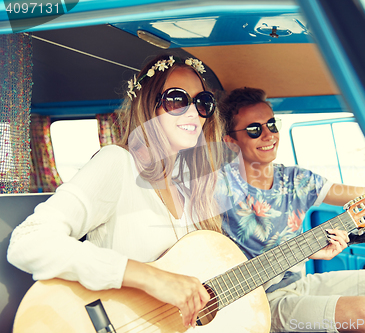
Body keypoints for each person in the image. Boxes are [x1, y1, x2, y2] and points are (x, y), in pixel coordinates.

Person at [7, 54, 224, 328]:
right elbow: (28, 241)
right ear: (149, 105)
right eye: (177, 100)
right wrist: (150, 277)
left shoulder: (192, 186)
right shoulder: (118, 163)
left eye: (203, 102)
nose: (192, 112)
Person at [216, 87, 365, 333]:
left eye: (272, 125)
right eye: (255, 129)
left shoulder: (297, 180)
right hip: (258, 302)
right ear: (231, 141)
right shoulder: (219, 189)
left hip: (299, 284)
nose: (269, 135)